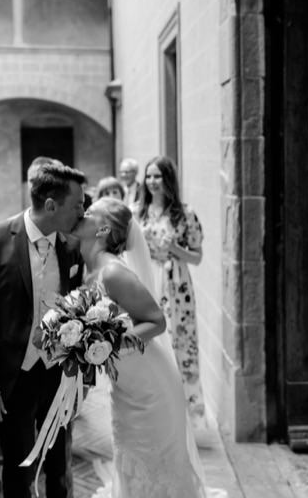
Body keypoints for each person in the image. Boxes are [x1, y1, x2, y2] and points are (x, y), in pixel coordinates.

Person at [0, 162, 87, 498]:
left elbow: (76, 310)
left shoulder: (72, 247)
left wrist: (79, 374)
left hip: (58, 375)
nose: (83, 210)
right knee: (18, 472)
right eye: (77, 204)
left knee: (59, 468)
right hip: (12, 378)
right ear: (51, 205)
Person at [75, 198, 213, 498]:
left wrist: (109, 343)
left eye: (89, 213)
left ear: (102, 229)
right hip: (127, 386)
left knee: (153, 462)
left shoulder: (112, 273)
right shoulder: (90, 268)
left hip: (151, 387)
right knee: (130, 454)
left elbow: (156, 321)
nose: (81, 215)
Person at [136, 156, 206, 422]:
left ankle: (182, 415)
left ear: (169, 180)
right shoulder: (136, 212)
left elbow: (198, 257)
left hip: (176, 286)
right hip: (146, 280)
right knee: (151, 345)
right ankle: (154, 411)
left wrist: (176, 249)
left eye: (158, 176)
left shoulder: (185, 215)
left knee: (179, 343)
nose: (153, 182)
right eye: (149, 176)